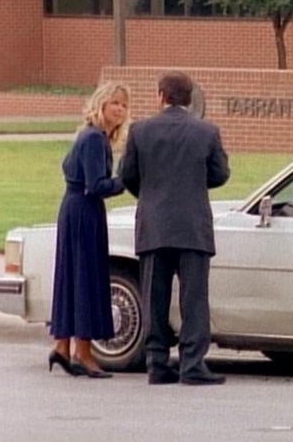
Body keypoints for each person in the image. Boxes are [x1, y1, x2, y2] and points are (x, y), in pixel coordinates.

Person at [119, 70, 230, 386]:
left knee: (154, 297)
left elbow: (127, 174)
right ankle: (193, 364)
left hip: (154, 225)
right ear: (189, 97)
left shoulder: (140, 131)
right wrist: (193, 184)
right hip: (193, 225)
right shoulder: (206, 132)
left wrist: (151, 193)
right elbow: (220, 174)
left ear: (160, 95)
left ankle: (157, 363)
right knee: (194, 299)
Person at [48, 82, 130, 378]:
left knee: (72, 276)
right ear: (101, 105)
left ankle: (62, 346)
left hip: (74, 209)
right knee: (84, 277)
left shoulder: (89, 136)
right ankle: (82, 353)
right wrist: (127, 179)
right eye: (114, 103)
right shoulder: (95, 139)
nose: (119, 109)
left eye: (123, 105)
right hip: (84, 210)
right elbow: (97, 185)